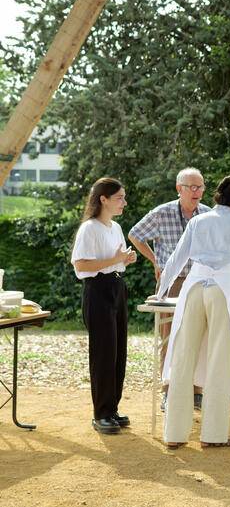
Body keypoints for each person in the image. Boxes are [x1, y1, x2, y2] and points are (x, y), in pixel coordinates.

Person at [157, 172, 230, 449]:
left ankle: (174, 433)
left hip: (194, 285)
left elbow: (175, 260)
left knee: (183, 357)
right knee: (219, 360)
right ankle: (213, 435)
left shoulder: (198, 220)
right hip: (222, 287)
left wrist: (160, 293)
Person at [129, 167, 210, 411]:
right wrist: (155, 261)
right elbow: (135, 235)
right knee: (168, 337)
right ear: (179, 189)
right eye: (192, 187)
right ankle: (168, 391)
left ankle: (196, 391)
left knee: (199, 335)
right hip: (171, 283)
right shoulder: (162, 213)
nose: (197, 192)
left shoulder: (207, 214)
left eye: (201, 187)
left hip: (199, 281)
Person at [71, 177, 138, 434]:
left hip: (117, 287)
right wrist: (114, 259)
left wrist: (124, 260)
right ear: (103, 199)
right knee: (103, 353)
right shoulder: (89, 228)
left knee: (118, 350)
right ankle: (101, 414)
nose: (124, 202)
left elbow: (114, 262)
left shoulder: (116, 227)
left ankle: (112, 408)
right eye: (119, 197)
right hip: (98, 290)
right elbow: (81, 265)